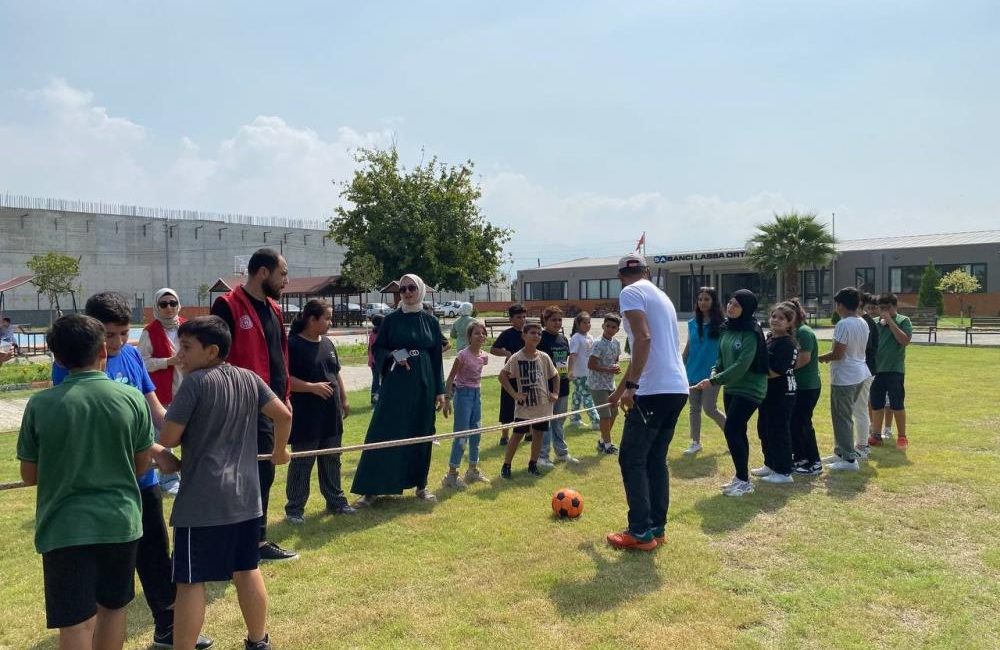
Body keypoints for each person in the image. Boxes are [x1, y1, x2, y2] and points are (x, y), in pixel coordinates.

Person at [51, 292, 212, 649]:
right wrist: (150, 447)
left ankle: (168, 627)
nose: (117, 343)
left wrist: (177, 436)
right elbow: (79, 424)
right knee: (102, 577)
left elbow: (152, 404)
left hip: (143, 479)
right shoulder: (70, 364)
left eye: (123, 333)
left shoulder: (130, 356)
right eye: (109, 335)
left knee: (155, 555)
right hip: (101, 486)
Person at [18, 314, 154, 650]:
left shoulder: (40, 404)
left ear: (58, 359)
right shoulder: (131, 399)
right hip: (120, 522)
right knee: (113, 610)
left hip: (64, 528)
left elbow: (29, 475)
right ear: (103, 352)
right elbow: (141, 463)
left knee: (75, 623)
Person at [159, 316, 292, 650]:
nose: (180, 354)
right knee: (246, 569)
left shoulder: (194, 383)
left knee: (190, 581)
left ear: (212, 350)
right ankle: (258, 641)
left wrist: (162, 452)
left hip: (201, 503)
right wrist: (279, 451)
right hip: (246, 499)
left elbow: (170, 437)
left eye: (187, 347)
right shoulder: (249, 378)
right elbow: (284, 415)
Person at [211, 248, 296, 562]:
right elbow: (214, 357)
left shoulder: (274, 308)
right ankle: (243, 542)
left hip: (272, 404)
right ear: (263, 272)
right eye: (283, 273)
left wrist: (285, 395)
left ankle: (256, 540)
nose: (286, 280)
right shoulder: (226, 305)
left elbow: (279, 356)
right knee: (244, 475)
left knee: (265, 472)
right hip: (241, 406)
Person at [605, 254, 689, 551]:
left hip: (653, 391)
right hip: (676, 387)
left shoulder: (630, 292)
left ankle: (640, 532)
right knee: (655, 459)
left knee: (632, 458)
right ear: (648, 272)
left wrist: (632, 386)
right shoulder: (661, 296)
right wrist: (618, 392)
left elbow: (643, 339)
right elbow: (649, 349)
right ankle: (656, 527)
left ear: (619, 277)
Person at [351, 274, 447, 506]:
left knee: (421, 431)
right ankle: (371, 489)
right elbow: (380, 348)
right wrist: (395, 354)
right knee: (384, 431)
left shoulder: (430, 322)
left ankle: (420, 485)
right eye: (402, 289)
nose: (406, 292)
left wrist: (440, 390)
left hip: (424, 383)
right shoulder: (391, 320)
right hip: (397, 383)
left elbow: (436, 358)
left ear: (420, 289)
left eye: (411, 288)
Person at [284, 300, 355, 522]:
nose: (330, 323)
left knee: (332, 458)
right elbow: (284, 380)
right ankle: (294, 510)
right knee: (302, 462)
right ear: (311, 319)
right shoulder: (292, 345)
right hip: (306, 417)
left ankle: (336, 502)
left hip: (330, 415)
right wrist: (311, 388)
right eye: (327, 318)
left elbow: (336, 373)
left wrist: (343, 398)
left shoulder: (327, 343)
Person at [694, 289, 768, 497]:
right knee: (735, 431)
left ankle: (744, 481)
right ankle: (740, 476)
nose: (730, 307)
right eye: (729, 303)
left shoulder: (751, 331)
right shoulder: (726, 328)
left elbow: (741, 365)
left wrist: (714, 380)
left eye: (736, 304)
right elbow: (720, 359)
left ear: (746, 308)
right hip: (732, 387)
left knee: (733, 428)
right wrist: (714, 371)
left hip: (751, 387)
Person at [138, 287, 186, 496]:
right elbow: (143, 363)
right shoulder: (150, 331)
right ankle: (168, 480)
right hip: (162, 392)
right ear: (156, 307)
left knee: (189, 434)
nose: (169, 308)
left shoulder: (187, 327)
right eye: (163, 304)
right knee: (163, 435)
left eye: (173, 303)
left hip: (188, 387)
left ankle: (189, 474)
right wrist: (168, 361)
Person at [818, 287, 872, 471]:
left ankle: (849, 459)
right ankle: (840, 452)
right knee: (843, 415)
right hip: (859, 373)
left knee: (842, 417)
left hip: (846, 376)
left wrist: (822, 357)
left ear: (840, 305)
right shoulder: (862, 322)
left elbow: (838, 353)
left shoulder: (844, 324)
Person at [499, 322, 558, 479]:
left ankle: (533, 464)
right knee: (517, 435)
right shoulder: (516, 357)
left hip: (542, 405)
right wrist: (515, 394)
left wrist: (555, 393)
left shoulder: (544, 357)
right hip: (525, 406)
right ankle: (506, 465)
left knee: (538, 434)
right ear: (524, 336)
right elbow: (502, 376)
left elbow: (555, 375)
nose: (536, 336)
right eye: (532, 333)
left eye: (539, 334)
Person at [751, 303, 799, 484]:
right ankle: (770, 464)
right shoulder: (770, 338)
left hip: (782, 393)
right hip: (767, 393)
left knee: (779, 431)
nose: (776, 320)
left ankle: (783, 471)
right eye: (773, 317)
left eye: (781, 318)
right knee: (765, 429)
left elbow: (775, 371)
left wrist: (752, 370)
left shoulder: (787, 343)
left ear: (789, 323)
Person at [442, 320, 491, 488]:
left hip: (476, 395)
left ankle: (472, 470)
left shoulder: (484, 357)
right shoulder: (462, 355)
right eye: (477, 333)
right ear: (469, 337)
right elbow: (450, 378)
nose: (481, 336)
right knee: (461, 435)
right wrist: (447, 399)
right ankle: (451, 475)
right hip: (463, 396)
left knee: (476, 432)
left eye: (483, 333)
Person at [682, 287, 727, 455]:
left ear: (714, 301)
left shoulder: (723, 325)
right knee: (694, 409)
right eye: (700, 299)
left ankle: (733, 437)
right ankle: (695, 442)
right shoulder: (692, 323)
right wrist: (681, 367)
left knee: (709, 408)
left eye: (706, 299)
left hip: (712, 375)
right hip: (692, 372)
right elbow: (688, 348)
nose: (702, 302)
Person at [869, 292, 913, 449]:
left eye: (887, 308)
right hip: (876, 370)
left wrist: (890, 322)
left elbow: (904, 340)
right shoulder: (874, 323)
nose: (884, 311)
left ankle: (902, 436)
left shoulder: (903, 321)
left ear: (895, 306)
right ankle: (876, 435)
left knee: (897, 404)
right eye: (881, 308)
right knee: (876, 404)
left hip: (895, 370)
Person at [786, 298, 823, 476]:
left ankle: (814, 461)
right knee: (794, 423)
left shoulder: (803, 332)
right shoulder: (792, 332)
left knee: (803, 422)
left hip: (807, 386)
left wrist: (783, 368)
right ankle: (800, 457)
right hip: (797, 385)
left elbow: (804, 358)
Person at [538, 305, 578, 468]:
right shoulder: (540, 339)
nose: (557, 323)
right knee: (546, 422)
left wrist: (569, 373)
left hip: (563, 386)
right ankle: (542, 456)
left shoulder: (563, 339)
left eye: (559, 319)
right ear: (545, 321)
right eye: (553, 320)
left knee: (559, 422)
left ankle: (562, 453)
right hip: (546, 388)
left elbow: (565, 361)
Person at [489, 303, 527, 446]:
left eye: (524, 317)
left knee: (526, 403)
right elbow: (493, 349)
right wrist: (505, 353)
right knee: (507, 404)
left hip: (526, 373)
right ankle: (504, 435)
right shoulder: (507, 334)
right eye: (518, 317)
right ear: (511, 319)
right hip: (510, 374)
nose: (522, 320)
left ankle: (527, 431)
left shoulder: (529, 332)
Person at [588, 313, 623, 454]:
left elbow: (616, 360)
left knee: (614, 412)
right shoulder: (597, 343)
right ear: (603, 326)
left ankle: (603, 441)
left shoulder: (616, 343)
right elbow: (591, 364)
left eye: (613, 327)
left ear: (617, 330)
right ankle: (608, 446)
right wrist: (608, 369)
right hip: (597, 385)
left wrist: (616, 366)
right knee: (605, 415)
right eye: (607, 326)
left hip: (610, 384)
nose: (610, 329)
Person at [854, 293, 879, 460]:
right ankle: (859, 445)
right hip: (862, 370)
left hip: (865, 370)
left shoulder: (865, 322)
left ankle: (862, 447)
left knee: (860, 408)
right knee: (857, 409)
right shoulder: (864, 321)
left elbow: (862, 349)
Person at [567, 311, 600, 430]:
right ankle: (596, 421)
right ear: (578, 324)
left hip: (588, 372)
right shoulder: (576, 338)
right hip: (579, 373)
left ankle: (575, 418)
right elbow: (573, 355)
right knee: (587, 395)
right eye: (585, 322)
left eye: (589, 322)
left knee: (577, 394)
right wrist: (570, 371)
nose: (588, 325)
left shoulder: (590, 337)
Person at [368, 313, 385, 404]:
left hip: (372, 360)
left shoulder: (372, 333)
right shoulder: (381, 334)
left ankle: (374, 398)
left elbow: (370, 348)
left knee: (375, 380)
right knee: (385, 379)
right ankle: (378, 396)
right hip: (379, 360)